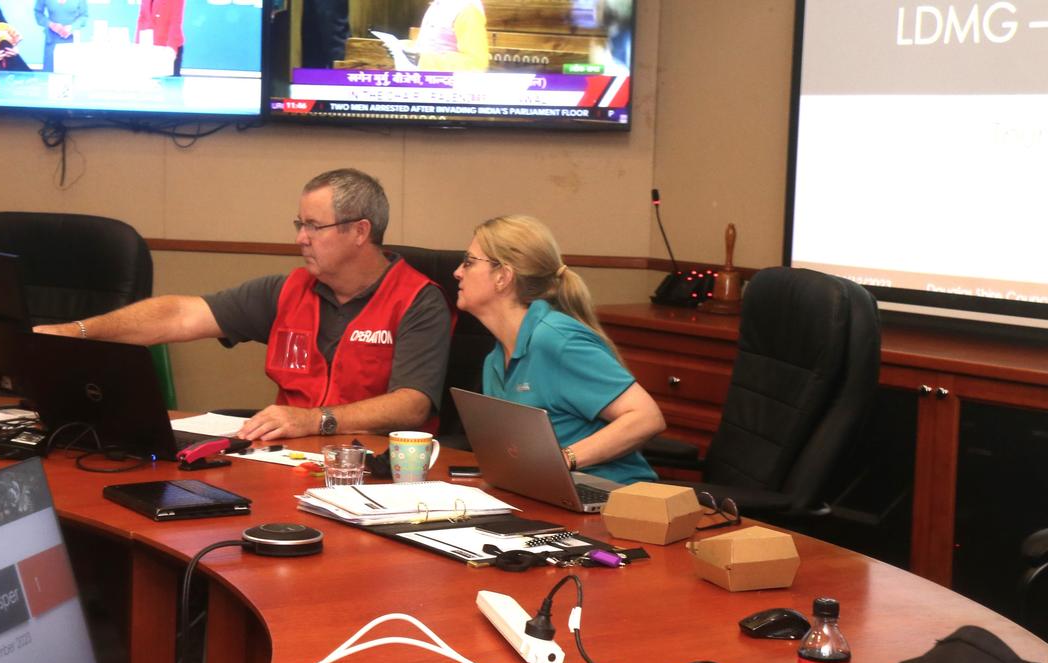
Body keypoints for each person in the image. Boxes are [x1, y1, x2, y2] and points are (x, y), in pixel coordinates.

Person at [34, 169, 454, 442]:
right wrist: (74, 333)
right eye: (299, 224)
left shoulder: (418, 300)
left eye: (313, 226)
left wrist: (315, 420)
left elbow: (412, 404)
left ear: (360, 231)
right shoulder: (287, 290)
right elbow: (180, 315)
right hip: (289, 461)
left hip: (378, 471)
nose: (300, 238)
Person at [453, 215, 664, 484]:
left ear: (503, 277)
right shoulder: (494, 360)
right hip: (547, 492)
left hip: (614, 497)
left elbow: (647, 417)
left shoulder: (556, 341)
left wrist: (562, 460)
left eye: (469, 262)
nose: (458, 272)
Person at [415, 0, 489, 72]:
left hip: (447, 82)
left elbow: (477, 64)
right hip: (424, 79)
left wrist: (428, 60)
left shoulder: (468, 10)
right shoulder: (439, 4)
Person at [34, 0, 88, 72]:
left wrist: (72, 27)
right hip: (52, 40)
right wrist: (51, 24)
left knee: (70, 72)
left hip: (71, 40)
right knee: (50, 73)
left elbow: (84, 16)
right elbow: (38, 13)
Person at [136, 0, 186, 76]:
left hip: (168, 47)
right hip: (149, 47)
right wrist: (138, 45)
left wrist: (170, 52)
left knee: (168, 85)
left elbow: (175, 22)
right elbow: (142, 18)